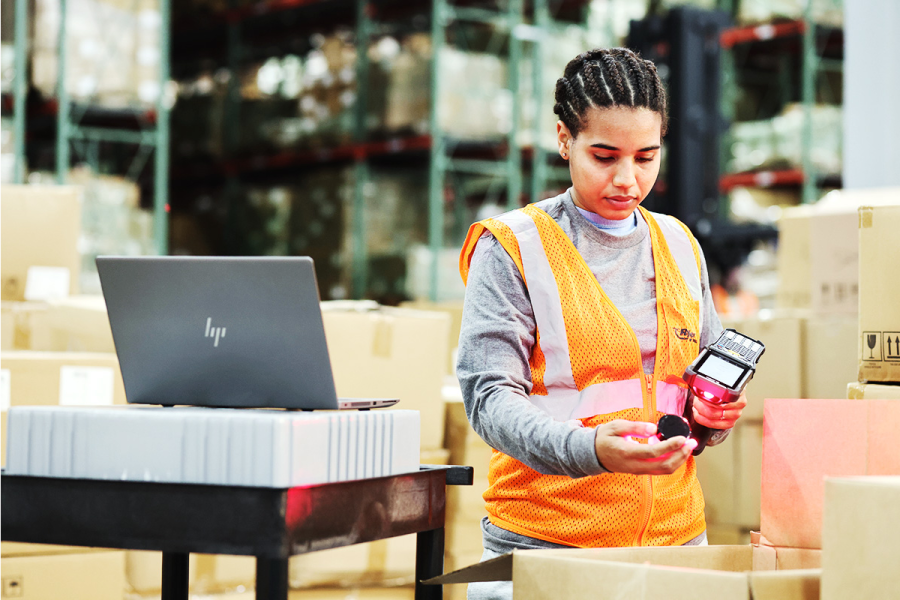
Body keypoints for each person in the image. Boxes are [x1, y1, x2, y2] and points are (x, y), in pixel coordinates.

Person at [455, 47, 747, 600]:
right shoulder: (515, 246)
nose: (627, 180)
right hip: (549, 544)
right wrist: (591, 451)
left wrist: (713, 416)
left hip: (675, 546)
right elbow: (489, 398)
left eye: (645, 157)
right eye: (605, 156)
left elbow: (694, 391)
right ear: (565, 139)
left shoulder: (680, 245)